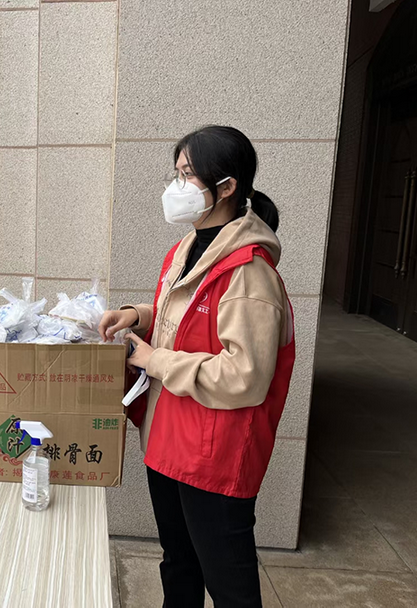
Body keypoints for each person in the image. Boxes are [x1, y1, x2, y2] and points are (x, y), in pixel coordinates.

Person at [99, 126, 295, 608]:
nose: (176, 186)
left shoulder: (249, 273)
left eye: (187, 175)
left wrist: (154, 359)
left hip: (213, 456)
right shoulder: (186, 249)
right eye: (176, 173)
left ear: (226, 187)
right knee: (178, 562)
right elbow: (185, 318)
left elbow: (245, 376)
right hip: (169, 438)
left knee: (229, 585)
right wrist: (137, 315)